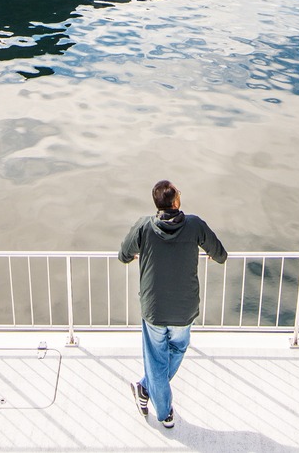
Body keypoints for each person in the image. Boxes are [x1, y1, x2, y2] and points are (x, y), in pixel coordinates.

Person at [118, 179, 227, 429]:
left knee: (157, 359)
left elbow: (123, 255)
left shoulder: (144, 226)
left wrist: (139, 252)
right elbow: (220, 254)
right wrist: (209, 253)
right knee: (177, 349)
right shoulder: (194, 225)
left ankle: (146, 389)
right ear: (176, 202)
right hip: (184, 308)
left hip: (154, 308)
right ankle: (163, 411)